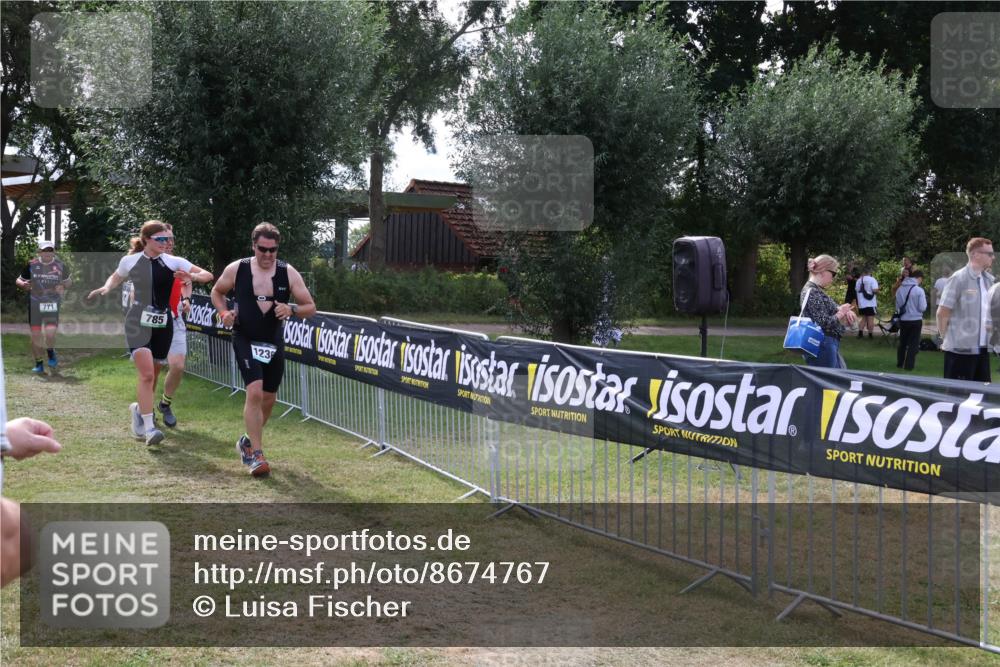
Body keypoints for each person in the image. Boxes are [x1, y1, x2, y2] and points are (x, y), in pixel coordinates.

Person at [88, 221, 213, 445]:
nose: (167, 243)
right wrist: (106, 288)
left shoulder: (174, 261)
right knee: (146, 374)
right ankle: (149, 428)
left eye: (168, 239)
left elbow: (207, 275)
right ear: (147, 240)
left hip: (164, 324)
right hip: (138, 321)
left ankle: (139, 409)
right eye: (162, 239)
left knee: (154, 372)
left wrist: (190, 277)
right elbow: (117, 276)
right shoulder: (130, 261)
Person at [211, 222, 316, 477]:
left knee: (269, 398)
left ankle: (247, 441)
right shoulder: (238, 268)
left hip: (272, 341)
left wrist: (291, 309)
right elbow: (217, 291)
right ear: (253, 246)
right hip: (244, 336)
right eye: (262, 249)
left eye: (273, 250)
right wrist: (224, 312)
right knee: (255, 392)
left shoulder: (287, 272)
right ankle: (257, 456)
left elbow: (310, 307)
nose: (268, 255)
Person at [937, 237, 995, 382]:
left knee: (980, 399)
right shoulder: (958, 278)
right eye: (989, 253)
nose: (993, 257)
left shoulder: (989, 280)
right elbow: (942, 312)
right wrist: (946, 339)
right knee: (957, 399)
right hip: (960, 351)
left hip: (982, 349)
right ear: (975, 254)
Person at [15, 239, 71, 373]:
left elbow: (69, 282)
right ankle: (39, 363)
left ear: (54, 252)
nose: (47, 253)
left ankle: (50, 352)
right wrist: (22, 285)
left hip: (52, 304)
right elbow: (19, 280)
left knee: (50, 334)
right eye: (45, 250)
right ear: (39, 252)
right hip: (35, 304)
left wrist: (63, 286)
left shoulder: (60, 265)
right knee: (36, 335)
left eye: (50, 250)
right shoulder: (31, 264)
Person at [799, 255, 856, 368]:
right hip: (822, 344)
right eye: (833, 274)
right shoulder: (812, 292)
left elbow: (832, 309)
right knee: (829, 382)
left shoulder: (816, 290)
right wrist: (841, 313)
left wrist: (844, 311)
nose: (833, 278)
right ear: (823, 271)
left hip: (826, 344)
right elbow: (824, 323)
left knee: (837, 380)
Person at [895, 268, 928, 371]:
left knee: (903, 343)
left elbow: (897, 306)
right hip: (915, 320)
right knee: (913, 344)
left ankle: (900, 363)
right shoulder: (919, 290)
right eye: (921, 279)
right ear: (919, 278)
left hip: (903, 319)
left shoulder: (900, 288)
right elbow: (922, 307)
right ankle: (909, 365)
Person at [855, 267, 879, 339]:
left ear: (863, 273)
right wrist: (879, 291)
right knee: (870, 319)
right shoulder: (872, 279)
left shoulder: (859, 280)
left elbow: (857, 290)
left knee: (864, 318)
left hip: (862, 303)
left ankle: (860, 333)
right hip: (870, 303)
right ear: (869, 272)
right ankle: (870, 335)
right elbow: (875, 290)